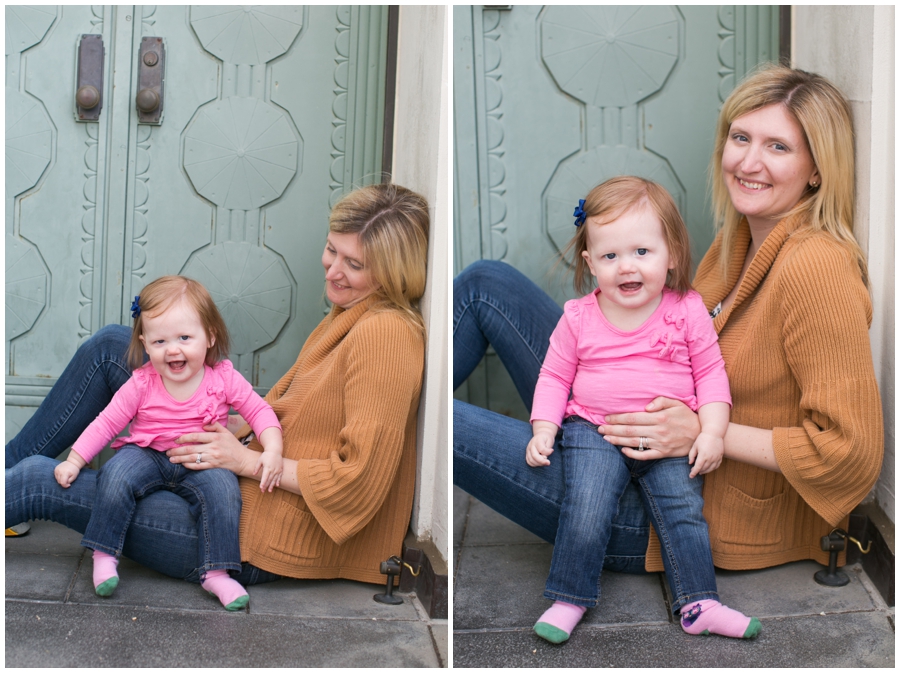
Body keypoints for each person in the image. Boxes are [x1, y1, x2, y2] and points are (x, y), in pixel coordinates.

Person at [454, 63, 883, 639]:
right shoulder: (736, 244)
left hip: (678, 504)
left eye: (777, 146)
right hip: (613, 429)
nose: (748, 162)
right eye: (740, 137)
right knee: (487, 283)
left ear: (815, 171)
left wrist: (705, 434)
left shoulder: (817, 268)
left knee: (439, 420)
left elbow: (852, 455)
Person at [7, 182, 429, 595]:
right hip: (233, 474)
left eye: (353, 264)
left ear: (392, 273)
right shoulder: (351, 311)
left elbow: (358, 482)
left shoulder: (385, 337)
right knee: (109, 350)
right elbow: (296, 412)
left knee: (35, 482)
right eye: (332, 250)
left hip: (246, 535)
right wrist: (230, 425)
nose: (333, 270)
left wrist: (244, 461)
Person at [527, 176, 757, 643]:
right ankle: (570, 596)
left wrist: (711, 433)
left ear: (670, 253)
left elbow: (712, 374)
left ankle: (698, 602)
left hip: (667, 436)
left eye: (641, 252)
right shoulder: (578, 317)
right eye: (610, 256)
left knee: (684, 509)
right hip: (596, 429)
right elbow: (553, 376)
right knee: (586, 504)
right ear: (591, 263)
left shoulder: (687, 309)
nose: (626, 267)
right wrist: (544, 427)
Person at [53, 276, 283, 609]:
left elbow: (259, 411)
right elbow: (107, 422)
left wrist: (273, 449)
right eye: (159, 341)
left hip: (201, 459)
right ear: (145, 344)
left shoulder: (223, 378)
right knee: (115, 474)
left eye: (185, 338)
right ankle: (104, 554)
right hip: (146, 453)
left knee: (224, 491)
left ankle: (216, 573)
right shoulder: (142, 383)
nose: (172, 349)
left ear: (209, 337)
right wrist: (75, 459)